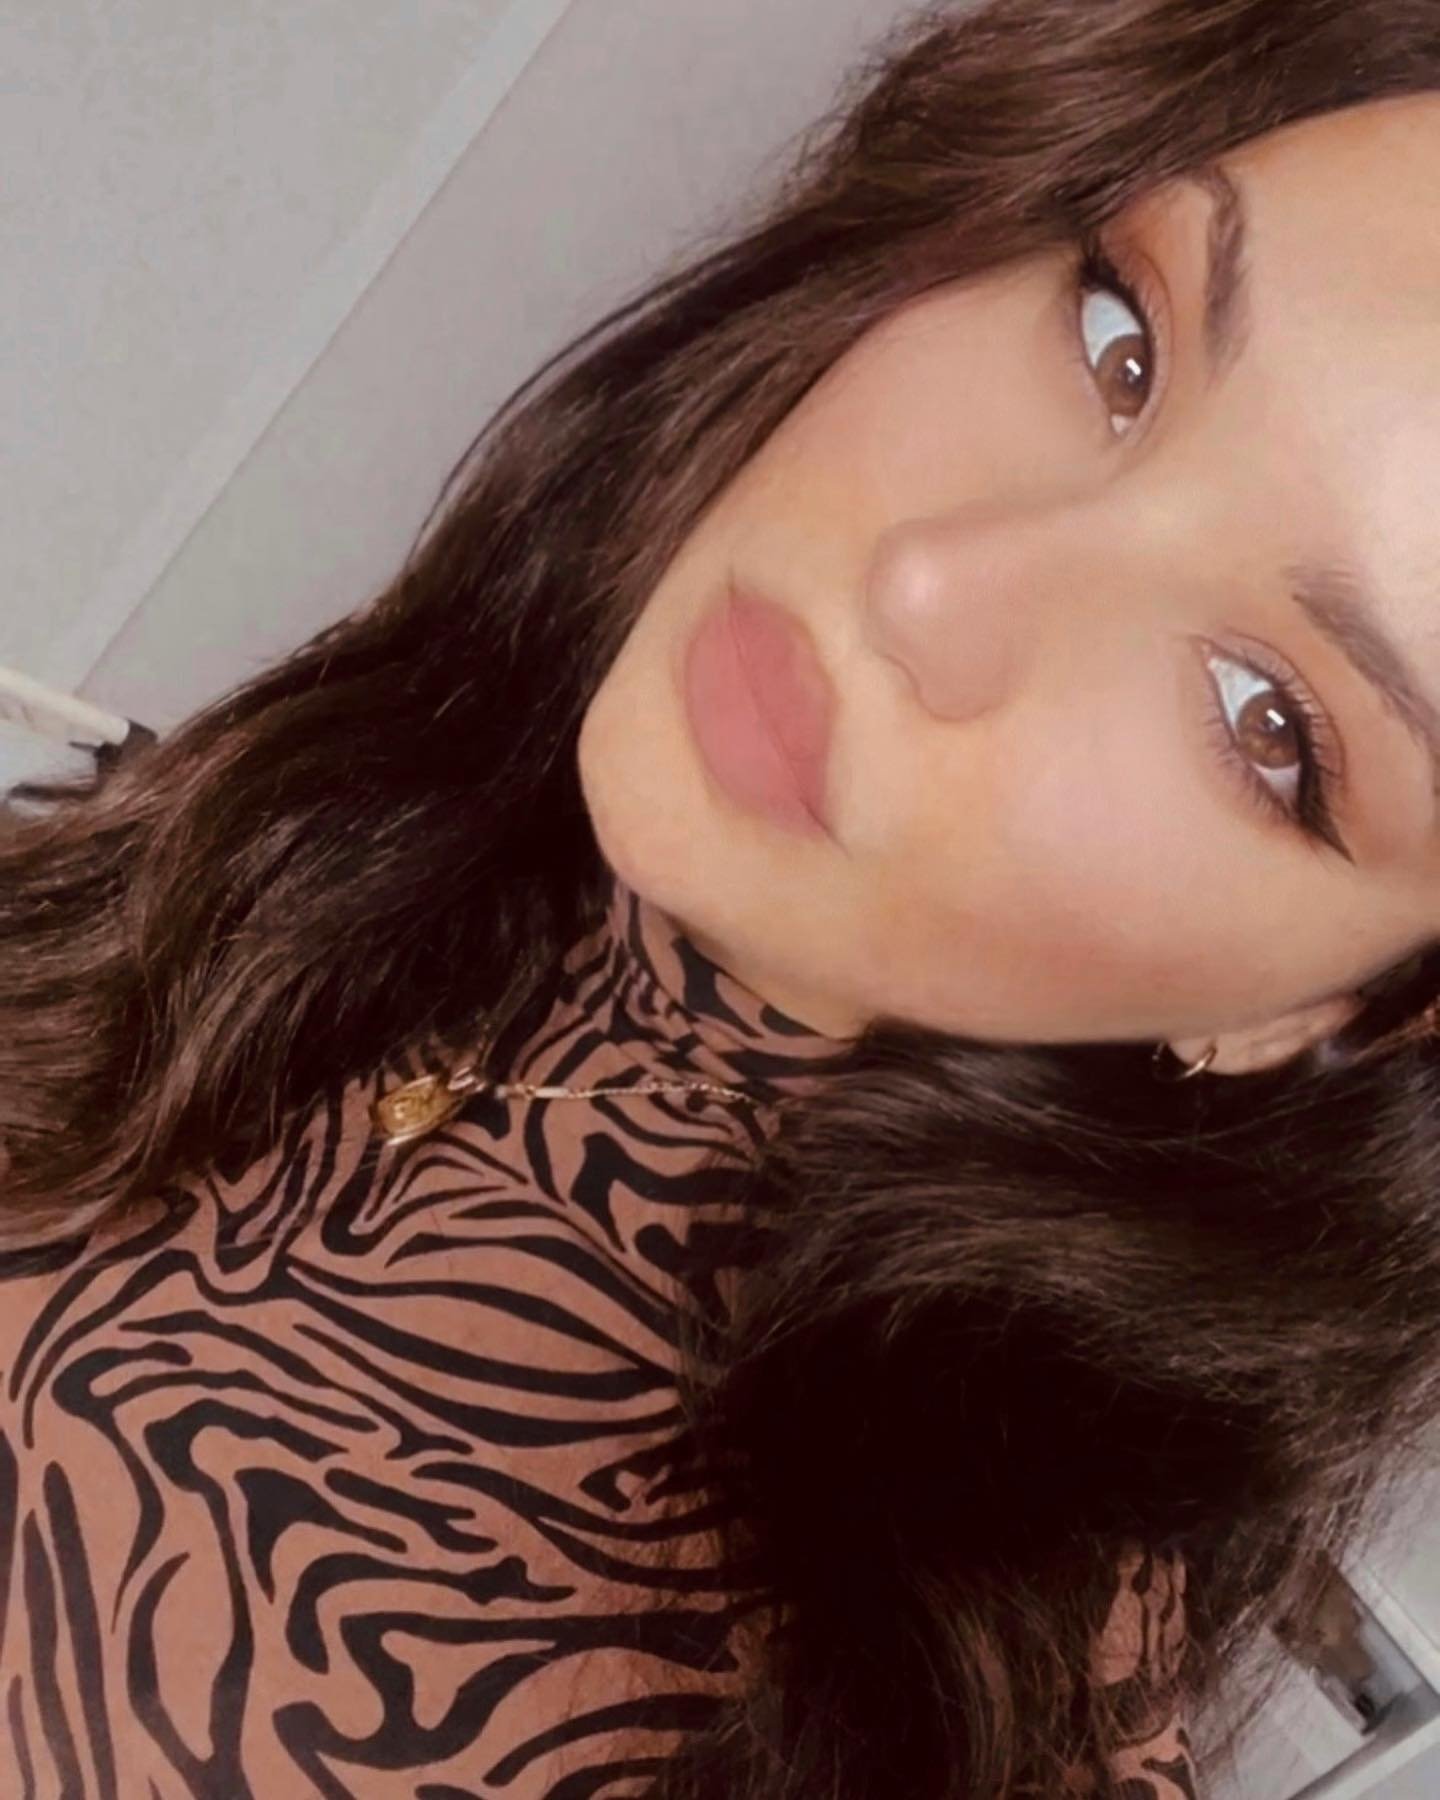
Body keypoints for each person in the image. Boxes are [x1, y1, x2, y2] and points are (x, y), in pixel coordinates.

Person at [3, 0, 1440, 1792]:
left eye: (1267, 721)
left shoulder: (886, 1722)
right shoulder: (369, 831)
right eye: (1120, 338)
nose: (933, 583)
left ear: (1326, 1007)